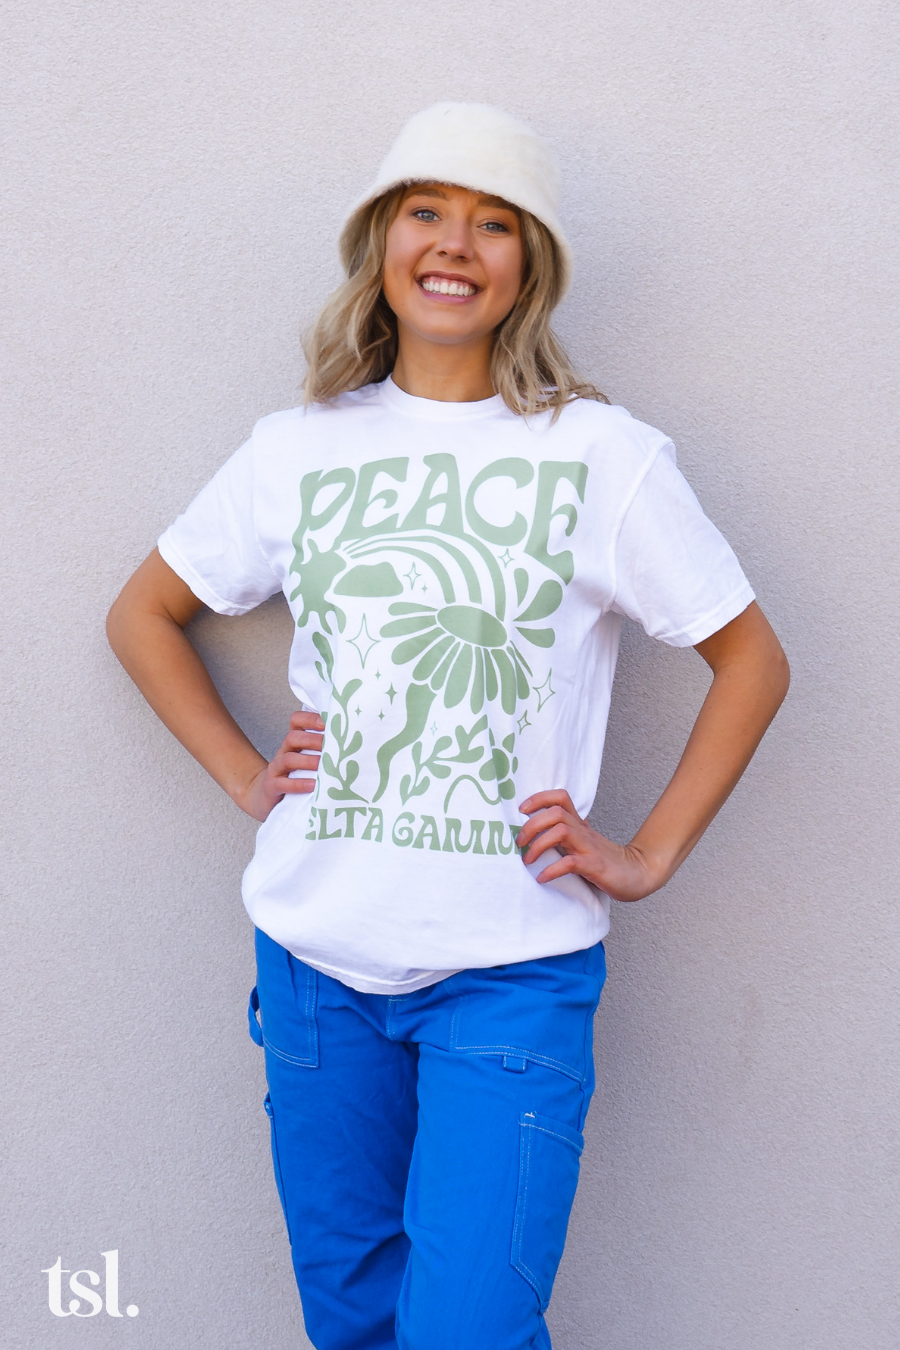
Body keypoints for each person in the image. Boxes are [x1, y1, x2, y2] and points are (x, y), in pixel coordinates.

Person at [107, 102, 789, 1350]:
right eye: (426, 211)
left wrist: (647, 854)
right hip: (314, 966)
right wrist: (245, 775)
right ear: (382, 241)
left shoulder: (601, 454)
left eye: (494, 224)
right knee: (354, 1325)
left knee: (468, 1333)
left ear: (531, 264)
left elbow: (750, 659)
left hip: (511, 977)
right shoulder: (297, 450)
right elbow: (143, 614)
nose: (454, 245)